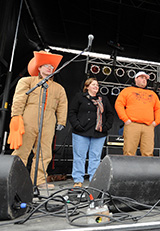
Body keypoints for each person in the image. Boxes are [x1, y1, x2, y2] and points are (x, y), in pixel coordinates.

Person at [8, 50, 68, 189]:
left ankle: (39, 181)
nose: (49, 68)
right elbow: (19, 99)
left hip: (49, 120)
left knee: (44, 152)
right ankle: (16, 179)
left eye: (52, 67)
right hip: (29, 117)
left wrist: (61, 121)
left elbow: (63, 105)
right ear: (39, 67)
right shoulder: (27, 81)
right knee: (21, 150)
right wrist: (16, 116)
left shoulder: (59, 88)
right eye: (46, 65)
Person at [68, 78, 114, 188]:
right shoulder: (80, 97)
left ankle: (94, 179)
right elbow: (72, 112)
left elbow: (110, 114)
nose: (96, 86)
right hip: (81, 132)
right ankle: (78, 180)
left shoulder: (103, 99)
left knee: (95, 157)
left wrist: (106, 127)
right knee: (79, 156)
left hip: (98, 133)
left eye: (97, 85)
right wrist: (77, 125)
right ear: (87, 86)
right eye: (93, 84)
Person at [115, 71, 160, 156]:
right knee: (129, 152)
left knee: (148, 153)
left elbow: (158, 108)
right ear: (135, 79)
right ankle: (128, 169)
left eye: (145, 78)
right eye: (141, 77)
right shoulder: (127, 90)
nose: (144, 80)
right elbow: (118, 104)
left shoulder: (152, 93)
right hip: (132, 124)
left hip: (148, 126)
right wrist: (125, 119)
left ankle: (146, 169)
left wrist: (156, 122)